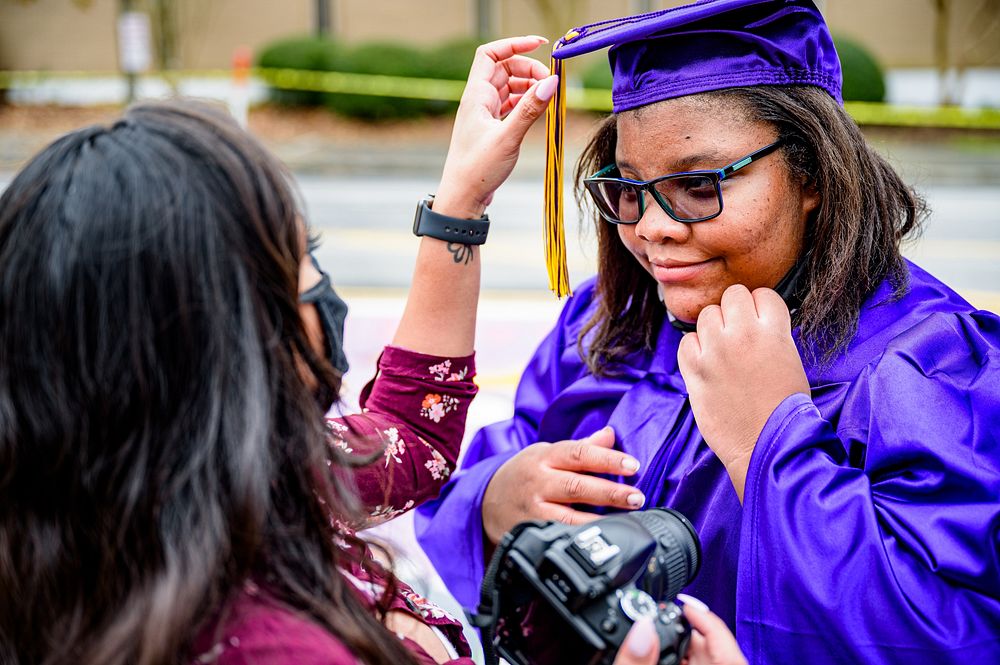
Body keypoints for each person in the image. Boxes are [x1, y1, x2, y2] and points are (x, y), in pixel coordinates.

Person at [416, 1, 1000, 663]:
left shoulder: (933, 368)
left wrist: (772, 440)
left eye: (697, 184)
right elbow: (464, 484)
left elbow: (944, 635)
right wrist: (494, 503)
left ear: (810, 172)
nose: (651, 227)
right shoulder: (609, 322)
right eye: (629, 188)